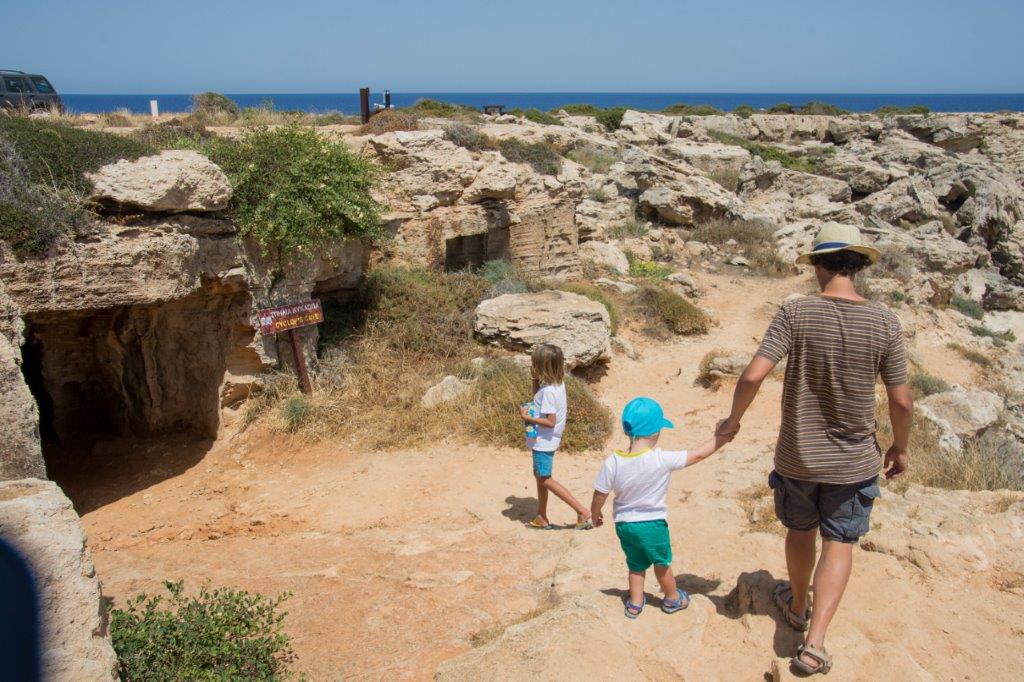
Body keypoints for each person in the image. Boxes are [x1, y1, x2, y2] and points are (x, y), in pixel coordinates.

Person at [716, 222, 914, 675]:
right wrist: (900, 448)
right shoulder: (884, 321)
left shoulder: (796, 312)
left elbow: (751, 376)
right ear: (858, 265)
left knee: (800, 531)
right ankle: (815, 643)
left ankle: (797, 607)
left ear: (819, 265)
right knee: (840, 541)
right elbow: (901, 400)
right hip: (854, 460)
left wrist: (732, 421)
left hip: (798, 455)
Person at [591, 397, 732, 618]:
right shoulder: (660, 459)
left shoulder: (613, 462)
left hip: (625, 525)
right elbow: (698, 454)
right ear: (656, 432)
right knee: (661, 562)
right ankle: (672, 598)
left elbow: (600, 493)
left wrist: (595, 513)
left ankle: (635, 603)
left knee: (636, 564)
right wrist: (723, 437)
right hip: (653, 525)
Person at [519, 343, 593, 530]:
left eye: (535, 362)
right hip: (545, 440)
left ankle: (582, 512)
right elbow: (539, 401)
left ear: (542, 366)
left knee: (544, 478)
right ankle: (541, 516)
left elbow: (551, 421)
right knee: (539, 476)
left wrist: (527, 417)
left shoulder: (550, 392)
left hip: (544, 441)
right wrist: (534, 380)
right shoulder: (555, 386)